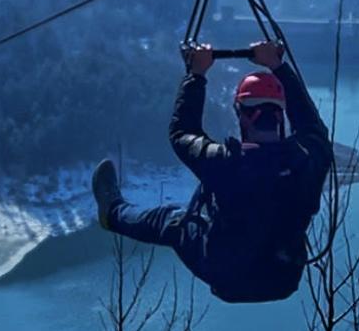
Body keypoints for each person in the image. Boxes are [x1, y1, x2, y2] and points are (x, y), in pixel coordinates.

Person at [91, 35, 332, 304]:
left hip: (226, 276)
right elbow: (314, 130)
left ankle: (111, 213)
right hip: (284, 278)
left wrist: (196, 75)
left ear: (241, 115)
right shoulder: (308, 160)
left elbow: (182, 132)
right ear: (281, 115)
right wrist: (278, 66)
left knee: (171, 220)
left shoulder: (225, 162)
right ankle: (112, 214)